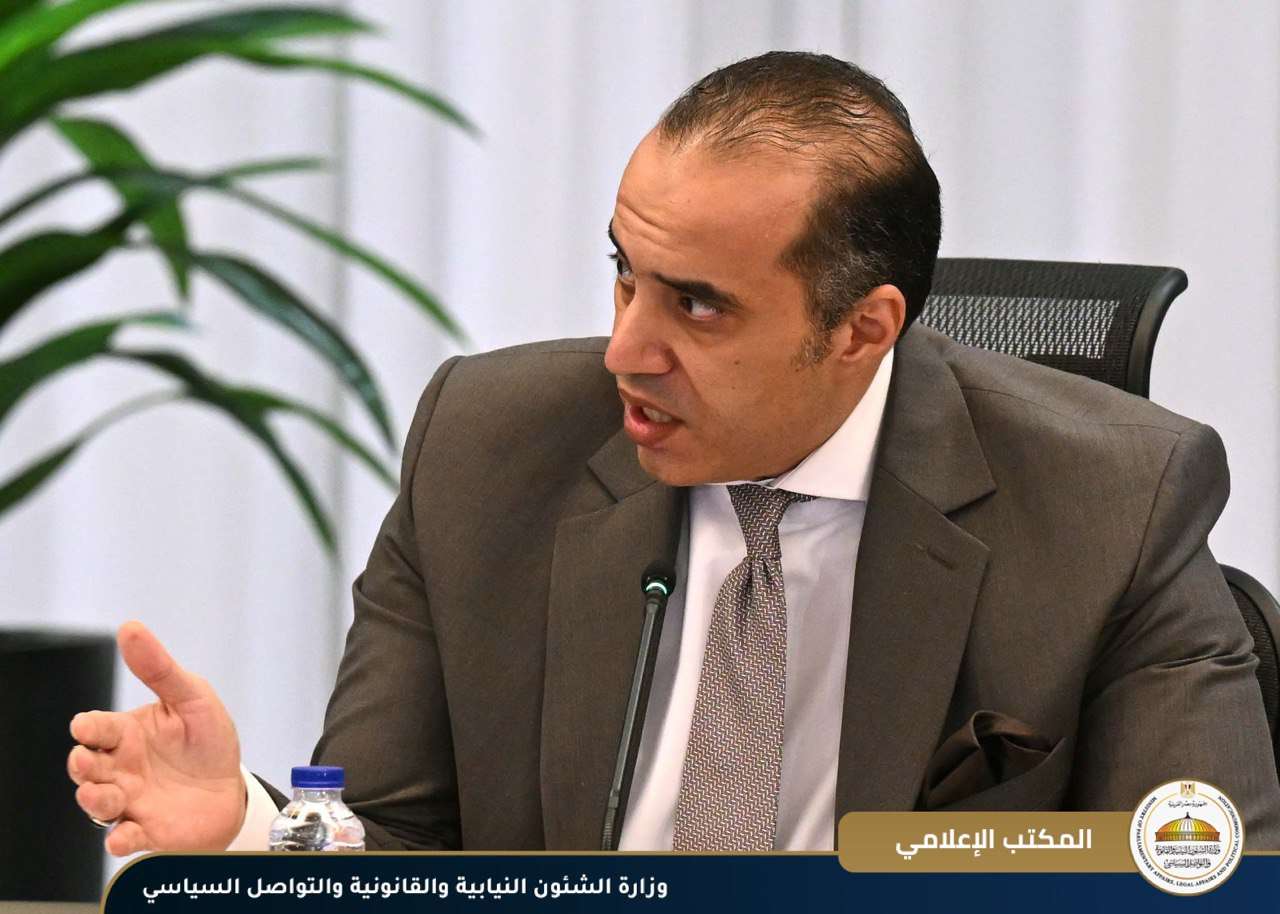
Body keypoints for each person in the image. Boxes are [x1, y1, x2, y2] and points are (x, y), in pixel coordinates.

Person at [66, 52, 1280, 854]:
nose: (624, 352)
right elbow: (399, 840)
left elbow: (1198, 871)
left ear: (862, 330)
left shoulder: (1112, 499)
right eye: (623, 274)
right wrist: (248, 826)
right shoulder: (486, 447)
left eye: (696, 305)